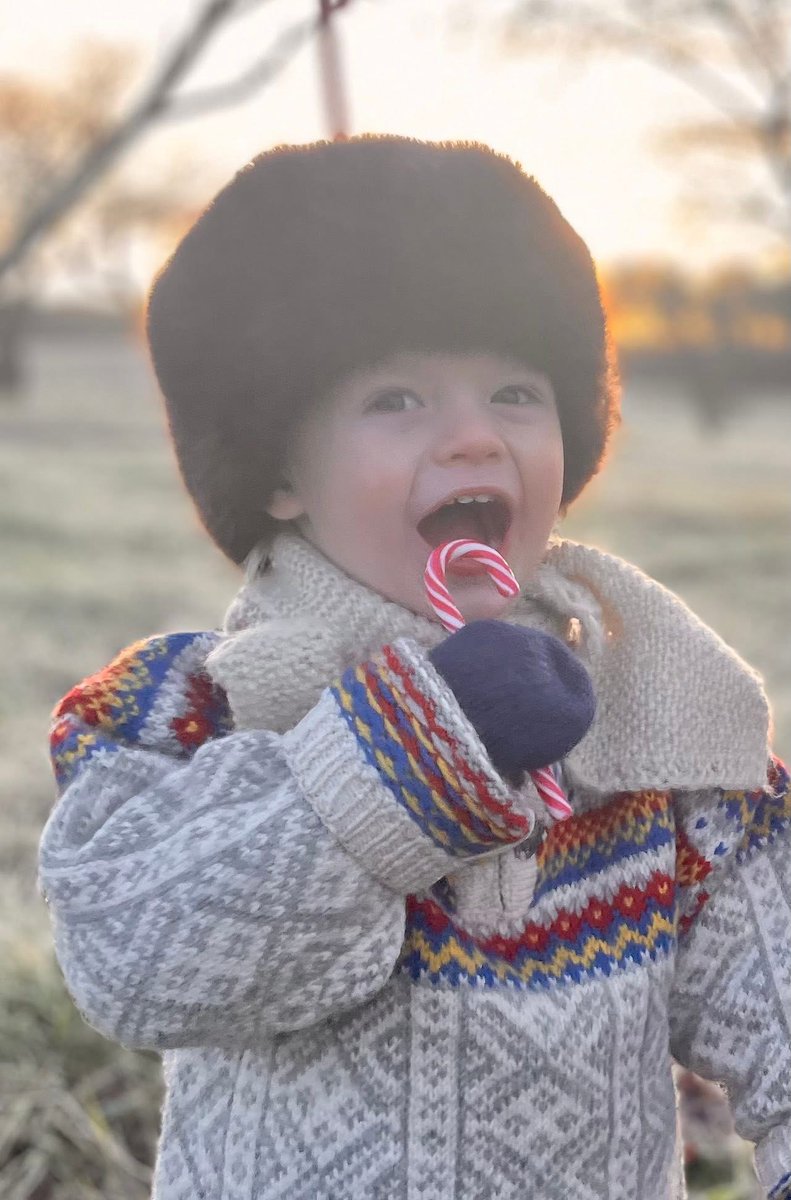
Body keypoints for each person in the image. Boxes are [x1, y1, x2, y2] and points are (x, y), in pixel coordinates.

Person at [39, 136, 790, 1200]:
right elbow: (133, 963)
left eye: (516, 395)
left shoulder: (647, 726)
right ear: (280, 470)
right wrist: (407, 758)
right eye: (397, 399)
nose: (474, 437)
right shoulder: (199, 709)